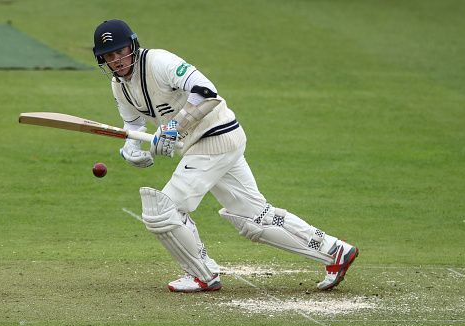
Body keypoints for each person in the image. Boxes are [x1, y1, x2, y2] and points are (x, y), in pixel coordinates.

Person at [92, 19, 358, 292]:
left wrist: (175, 127)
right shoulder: (119, 85)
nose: (117, 60)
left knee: (163, 210)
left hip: (214, 138)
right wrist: (131, 149)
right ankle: (334, 250)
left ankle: (202, 274)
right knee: (254, 218)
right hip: (208, 144)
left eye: (121, 51)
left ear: (133, 46)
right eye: (110, 56)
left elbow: (207, 91)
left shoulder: (160, 62)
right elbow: (133, 124)